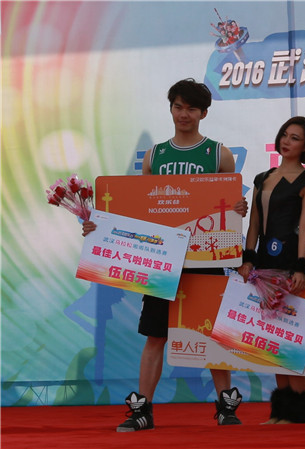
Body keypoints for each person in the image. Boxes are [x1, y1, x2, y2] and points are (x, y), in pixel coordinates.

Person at [82, 79, 248, 431]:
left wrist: (238, 208)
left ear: (204, 113)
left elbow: (228, 203)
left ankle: (226, 407)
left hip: (205, 260)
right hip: (162, 262)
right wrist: (100, 228)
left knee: (210, 333)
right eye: (178, 106)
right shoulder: (154, 156)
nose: (183, 114)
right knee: (155, 335)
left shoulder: (218, 154)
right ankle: (142, 410)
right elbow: (138, 211)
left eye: (191, 108)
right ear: (170, 108)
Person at [238, 116, 305, 424]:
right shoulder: (262, 177)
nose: (287, 141)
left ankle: (299, 410)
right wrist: (248, 259)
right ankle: (281, 409)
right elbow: (254, 224)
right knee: (273, 338)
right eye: (285, 135)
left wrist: (301, 266)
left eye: (295, 138)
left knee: (294, 340)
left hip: (290, 269)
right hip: (263, 268)